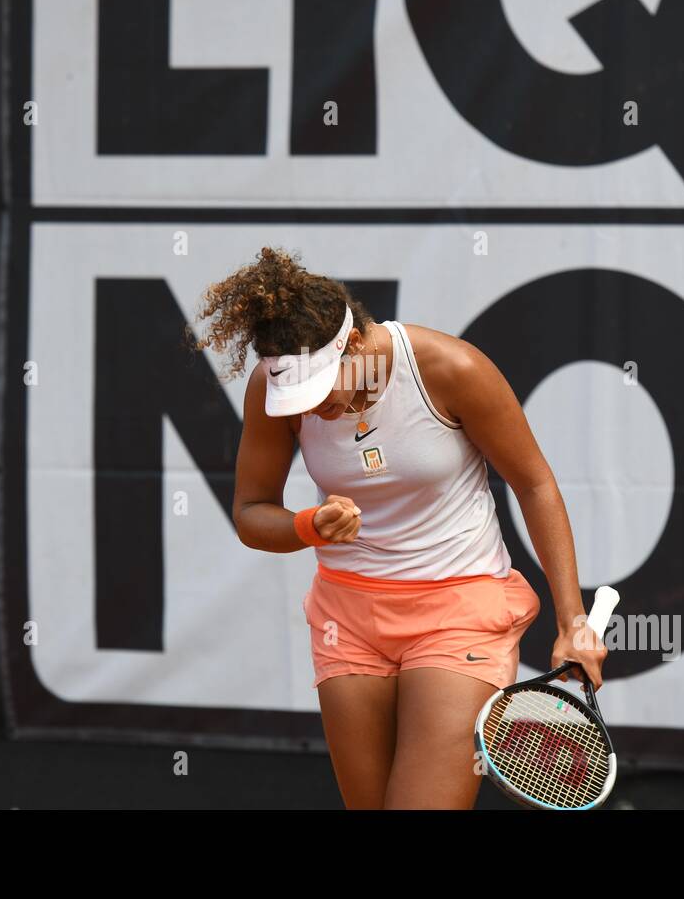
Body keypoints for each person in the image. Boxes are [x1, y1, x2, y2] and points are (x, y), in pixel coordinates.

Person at [188, 246, 608, 809]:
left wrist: (572, 618)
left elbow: (534, 484)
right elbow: (250, 513)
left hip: (461, 610)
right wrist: (311, 525)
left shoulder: (450, 369)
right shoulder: (276, 389)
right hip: (348, 616)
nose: (309, 410)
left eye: (318, 392)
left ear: (354, 346)